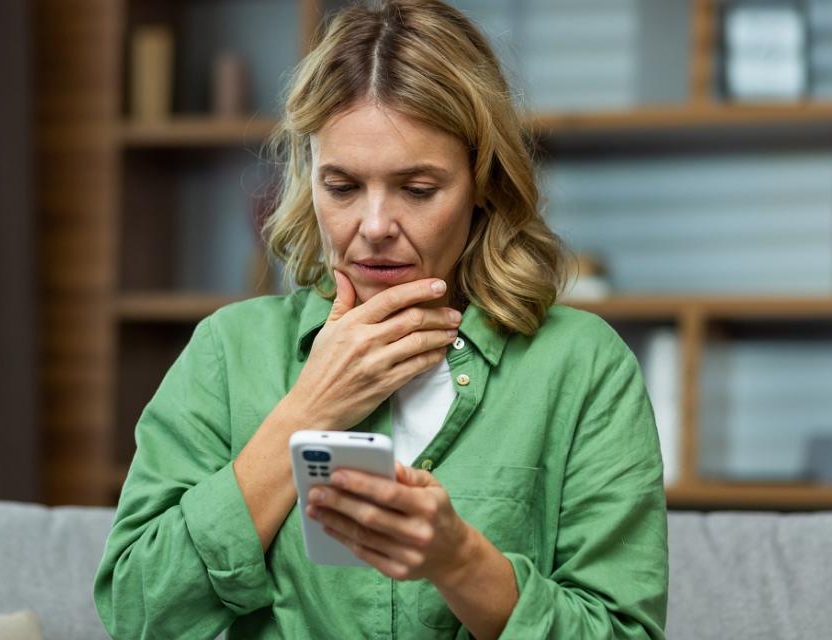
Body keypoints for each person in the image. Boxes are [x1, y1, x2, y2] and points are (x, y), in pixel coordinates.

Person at [93, 1, 668, 638]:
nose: (373, 228)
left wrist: (460, 560)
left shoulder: (581, 366)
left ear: (481, 181)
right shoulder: (229, 351)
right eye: (340, 187)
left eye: (418, 189)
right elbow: (136, 614)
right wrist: (307, 410)